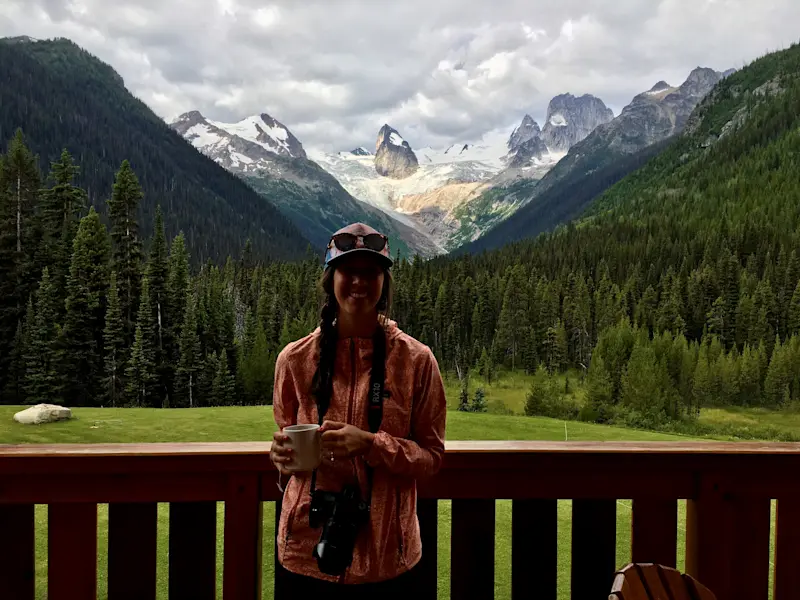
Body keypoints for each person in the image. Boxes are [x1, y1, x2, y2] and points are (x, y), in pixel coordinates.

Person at [269, 222, 447, 598]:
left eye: (371, 272)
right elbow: (287, 457)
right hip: (305, 554)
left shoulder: (417, 361)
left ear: (384, 283)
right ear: (330, 278)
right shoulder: (294, 360)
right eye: (349, 271)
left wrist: (371, 444)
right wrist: (282, 457)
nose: (359, 282)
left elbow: (431, 459)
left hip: (388, 559)